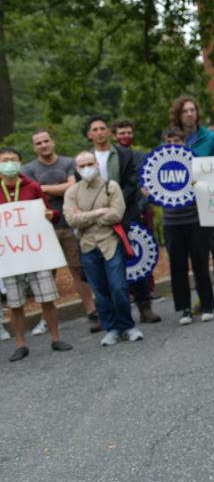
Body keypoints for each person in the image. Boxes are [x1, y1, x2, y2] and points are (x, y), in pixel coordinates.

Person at [22, 129, 100, 334]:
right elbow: (34, 192)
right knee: (45, 275)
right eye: (38, 143)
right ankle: (46, 319)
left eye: (46, 141)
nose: (43, 145)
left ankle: (91, 310)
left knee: (78, 269)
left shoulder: (67, 163)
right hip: (44, 228)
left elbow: (71, 187)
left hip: (69, 224)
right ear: (34, 147)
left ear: (53, 142)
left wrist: (43, 188)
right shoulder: (27, 168)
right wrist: (59, 187)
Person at [84, 115, 160, 324]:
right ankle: (108, 312)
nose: (99, 132)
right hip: (97, 219)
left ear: (109, 131)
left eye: (102, 128)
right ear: (89, 134)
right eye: (95, 129)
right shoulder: (85, 159)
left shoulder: (125, 155)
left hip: (126, 213)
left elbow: (132, 182)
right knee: (102, 264)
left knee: (136, 256)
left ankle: (144, 306)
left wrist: (115, 202)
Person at [0, 147, 73, 361]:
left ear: (21, 163)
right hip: (11, 257)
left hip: (36, 252)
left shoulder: (32, 187)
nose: (9, 164)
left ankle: (55, 338)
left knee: (47, 298)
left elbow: (50, 210)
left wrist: (52, 214)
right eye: (5, 160)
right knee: (15, 303)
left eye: (13, 160)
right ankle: (21, 344)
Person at [64, 151, 144, 346]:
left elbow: (116, 214)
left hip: (110, 243)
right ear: (76, 169)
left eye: (89, 164)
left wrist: (86, 217)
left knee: (118, 287)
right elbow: (71, 219)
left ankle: (128, 326)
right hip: (87, 246)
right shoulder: (72, 192)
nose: (86, 169)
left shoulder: (111, 186)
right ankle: (112, 328)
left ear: (97, 165)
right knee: (100, 291)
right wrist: (99, 212)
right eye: (81, 166)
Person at [170, 95, 214, 311]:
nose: (189, 114)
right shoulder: (173, 138)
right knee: (198, 252)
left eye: (192, 110)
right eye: (185, 110)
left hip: (209, 199)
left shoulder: (210, 138)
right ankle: (203, 295)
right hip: (186, 205)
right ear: (179, 114)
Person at [152, 128, 214, 325]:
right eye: (168, 141)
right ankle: (184, 309)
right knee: (177, 266)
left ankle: (207, 304)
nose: (172, 145)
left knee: (200, 263)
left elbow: (208, 187)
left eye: (177, 141)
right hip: (171, 222)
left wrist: (200, 184)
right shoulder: (157, 166)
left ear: (184, 143)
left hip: (194, 219)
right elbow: (153, 193)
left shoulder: (195, 163)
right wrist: (149, 193)